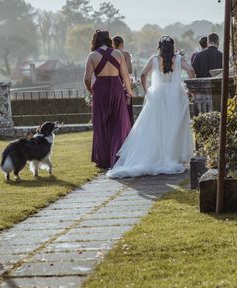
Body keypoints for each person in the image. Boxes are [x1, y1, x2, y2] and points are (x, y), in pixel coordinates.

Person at [106, 36, 196, 178]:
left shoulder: (154, 59)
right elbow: (191, 71)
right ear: (172, 46)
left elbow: (142, 75)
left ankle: (158, 155)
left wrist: (147, 91)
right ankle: (174, 156)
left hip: (158, 94)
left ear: (159, 47)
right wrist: (189, 91)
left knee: (156, 126)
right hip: (176, 95)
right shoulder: (178, 59)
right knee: (175, 125)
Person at [84, 29, 133, 169]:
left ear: (95, 40)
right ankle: (117, 157)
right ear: (108, 39)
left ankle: (104, 159)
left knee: (101, 124)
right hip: (117, 88)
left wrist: (91, 90)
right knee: (118, 122)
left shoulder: (92, 56)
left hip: (99, 89)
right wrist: (129, 92)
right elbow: (125, 76)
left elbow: (87, 79)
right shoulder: (117, 54)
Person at [112, 34, 135, 125]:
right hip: (124, 82)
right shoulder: (125, 54)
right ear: (122, 44)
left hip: (113, 80)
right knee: (127, 107)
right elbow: (129, 70)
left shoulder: (111, 53)